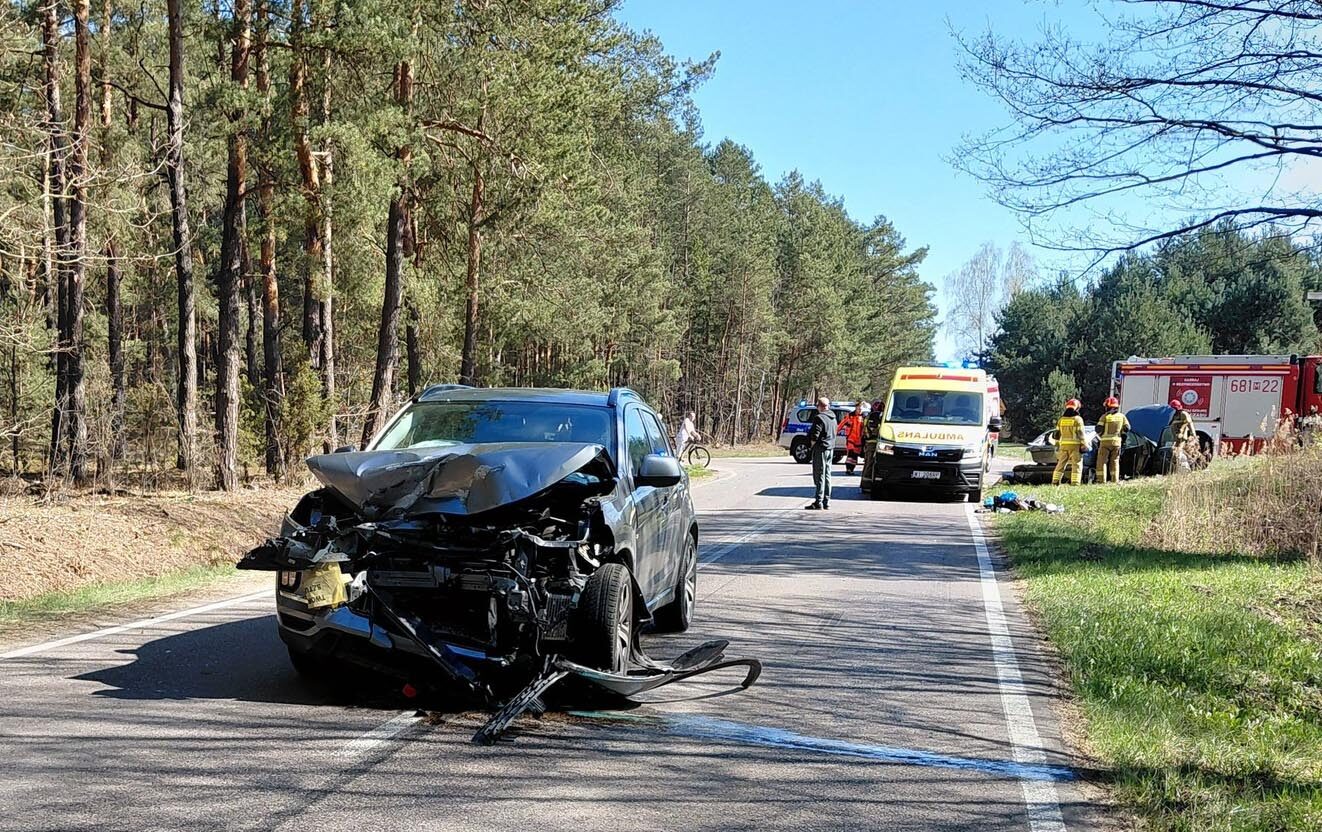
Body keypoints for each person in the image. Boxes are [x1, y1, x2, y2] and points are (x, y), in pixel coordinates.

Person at [805, 396, 837, 510]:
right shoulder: (833, 417)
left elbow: (815, 435)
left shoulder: (819, 418)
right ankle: (826, 501)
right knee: (827, 474)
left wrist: (811, 446)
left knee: (819, 475)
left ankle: (818, 501)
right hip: (830, 448)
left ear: (819, 406)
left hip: (821, 449)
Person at [1095, 396, 1130, 484]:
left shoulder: (1105, 417)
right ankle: (1115, 480)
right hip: (1117, 443)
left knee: (1102, 462)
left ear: (1107, 406)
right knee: (1115, 462)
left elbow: (1098, 429)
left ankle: (1101, 480)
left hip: (1105, 443)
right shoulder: (1122, 416)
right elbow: (1127, 428)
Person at [1052, 398, 1086, 486]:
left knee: (1060, 464)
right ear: (1077, 408)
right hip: (1075, 446)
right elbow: (1081, 434)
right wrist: (1084, 445)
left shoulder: (1061, 420)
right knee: (1076, 464)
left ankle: (1055, 481)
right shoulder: (1078, 419)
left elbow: (1056, 435)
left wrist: (1057, 445)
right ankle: (1075, 483)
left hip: (1063, 446)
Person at [837, 402, 866, 474]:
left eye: (861, 409)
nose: (860, 410)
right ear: (856, 408)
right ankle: (848, 469)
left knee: (855, 455)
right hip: (850, 438)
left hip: (859, 440)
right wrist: (835, 432)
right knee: (850, 454)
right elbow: (841, 424)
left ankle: (852, 469)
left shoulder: (863, 417)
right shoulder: (850, 416)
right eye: (859, 409)